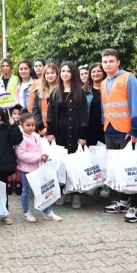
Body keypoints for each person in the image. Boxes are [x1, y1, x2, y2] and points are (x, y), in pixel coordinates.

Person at [100, 49, 137, 223]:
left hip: (126, 132)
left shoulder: (129, 78)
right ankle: (123, 201)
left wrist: (135, 130)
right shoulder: (104, 83)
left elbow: (136, 105)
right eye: (105, 62)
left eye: (111, 61)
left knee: (131, 169)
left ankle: (134, 205)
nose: (107, 64)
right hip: (110, 130)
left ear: (118, 62)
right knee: (117, 169)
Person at [46, 61, 88, 209]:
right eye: (62, 71)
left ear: (73, 73)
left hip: (74, 133)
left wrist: (83, 136)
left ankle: (76, 193)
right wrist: (50, 132)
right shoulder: (55, 92)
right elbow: (50, 114)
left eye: (68, 71)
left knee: (74, 164)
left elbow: (84, 115)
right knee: (61, 165)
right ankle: (64, 192)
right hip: (59, 134)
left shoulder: (79, 92)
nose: (64, 74)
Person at [16, 113, 62, 222]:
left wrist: (45, 155)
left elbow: (42, 147)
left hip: (38, 168)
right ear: (21, 124)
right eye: (28, 125)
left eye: (33, 125)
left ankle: (46, 211)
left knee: (42, 190)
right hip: (26, 170)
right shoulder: (20, 137)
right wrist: (39, 157)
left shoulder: (36, 135)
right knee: (26, 192)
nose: (31, 127)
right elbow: (21, 155)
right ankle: (26, 211)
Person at [32, 63, 59, 135]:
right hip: (42, 131)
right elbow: (35, 110)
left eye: (52, 73)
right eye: (47, 73)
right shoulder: (39, 91)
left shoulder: (62, 91)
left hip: (58, 131)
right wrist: (41, 127)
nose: (50, 75)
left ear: (57, 74)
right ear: (44, 75)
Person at [85, 62, 106, 147]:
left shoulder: (108, 89)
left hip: (104, 129)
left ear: (103, 73)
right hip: (89, 129)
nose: (96, 73)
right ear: (90, 74)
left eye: (99, 71)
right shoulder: (84, 91)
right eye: (93, 71)